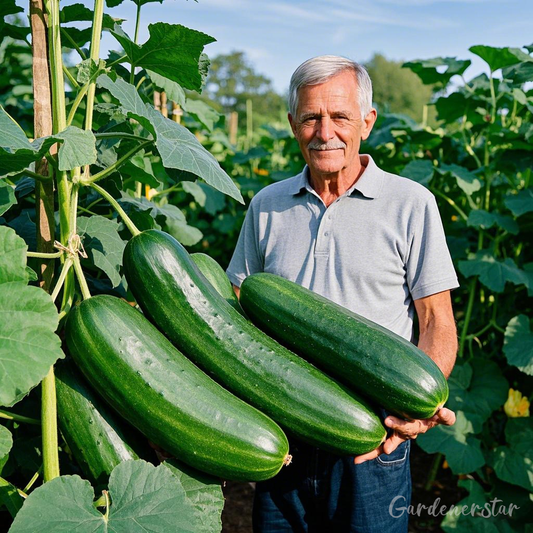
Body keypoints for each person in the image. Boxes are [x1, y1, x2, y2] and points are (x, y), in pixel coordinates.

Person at [226, 55, 458, 533]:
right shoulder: (266, 206)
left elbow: (436, 321)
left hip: (370, 445)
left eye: (340, 117)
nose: (324, 131)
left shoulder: (411, 204)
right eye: (311, 117)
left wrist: (414, 411)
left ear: (367, 122)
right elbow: (232, 313)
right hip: (282, 438)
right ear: (293, 124)